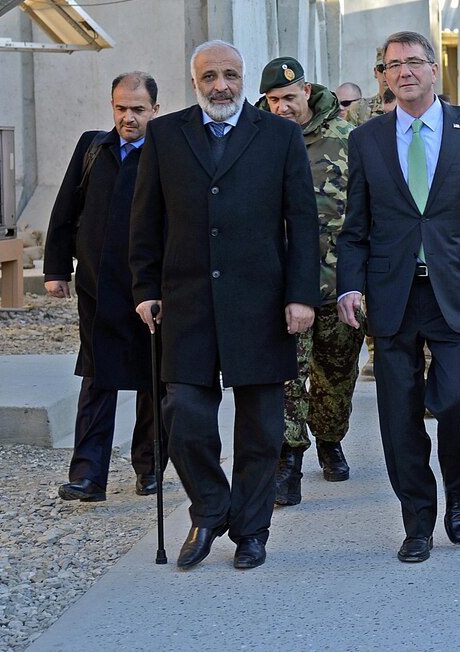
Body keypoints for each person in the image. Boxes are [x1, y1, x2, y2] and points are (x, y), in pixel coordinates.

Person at [336, 31, 460, 564]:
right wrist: (349, 284)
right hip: (393, 293)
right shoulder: (368, 139)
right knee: (398, 415)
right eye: (392, 65)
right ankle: (416, 519)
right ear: (384, 75)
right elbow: (356, 224)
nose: (404, 72)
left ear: (432, 70)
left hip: (456, 291)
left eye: (414, 62)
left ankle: (459, 489)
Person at [130, 40, 319, 570]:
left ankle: (253, 529)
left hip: (260, 303)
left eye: (230, 75)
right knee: (183, 415)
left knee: (261, 427)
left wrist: (301, 296)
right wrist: (145, 289)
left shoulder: (279, 135)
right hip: (186, 301)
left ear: (243, 80)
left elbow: (301, 221)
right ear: (194, 82)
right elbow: (145, 219)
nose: (221, 85)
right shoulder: (166, 134)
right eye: (210, 76)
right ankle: (211, 508)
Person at [44, 72, 167, 502]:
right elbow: (65, 208)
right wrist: (56, 268)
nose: (127, 118)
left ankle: (149, 468)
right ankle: (87, 476)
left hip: (150, 290)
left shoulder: (167, 151)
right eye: (120, 108)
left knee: (154, 379)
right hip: (97, 288)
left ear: (156, 108)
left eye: (137, 109)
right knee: (97, 378)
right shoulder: (93, 147)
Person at [257, 57, 364, 504]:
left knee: (336, 374)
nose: (283, 107)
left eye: (289, 97)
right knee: (287, 376)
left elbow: (366, 213)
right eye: (273, 100)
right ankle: (289, 460)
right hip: (282, 290)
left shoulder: (347, 139)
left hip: (338, 283)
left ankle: (329, 438)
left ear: (306, 91)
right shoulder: (255, 140)